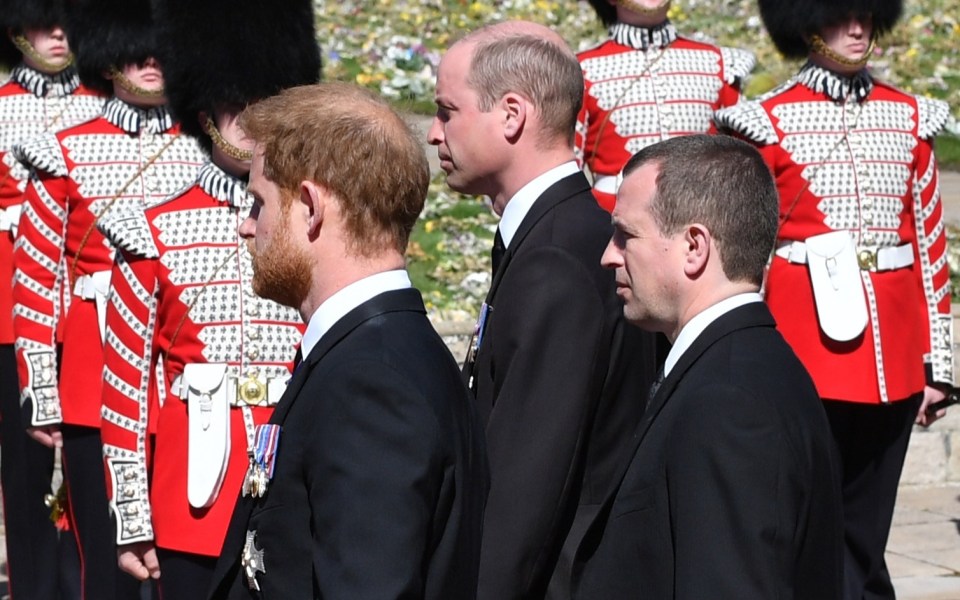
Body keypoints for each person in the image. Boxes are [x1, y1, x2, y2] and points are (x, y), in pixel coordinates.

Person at [206, 82, 488, 599]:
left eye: (259, 204)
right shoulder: (366, 353)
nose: (248, 228)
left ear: (310, 207)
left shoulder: (371, 383)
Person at [714, 1, 953, 597]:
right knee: (808, 516)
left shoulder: (908, 118)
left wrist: (938, 365)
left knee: (867, 530)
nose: (858, 29)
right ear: (806, 23)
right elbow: (750, 253)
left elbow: (929, 243)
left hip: (893, 356)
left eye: (868, 16)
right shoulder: (763, 121)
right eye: (842, 16)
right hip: (803, 348)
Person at [95, 0, 320, 598]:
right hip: (193, 491)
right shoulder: (150, 229)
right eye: (235, 104)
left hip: (292, 482)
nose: (251, 119)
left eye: (264, 102)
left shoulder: (313, 220)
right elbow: (126, 386)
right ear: (204, 113)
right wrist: (133, 517)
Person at [428, 21, 659, 599]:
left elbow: (523, 492)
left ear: (511, 114)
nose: (434, 133)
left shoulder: (554, 258)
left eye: (447, 111)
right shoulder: (558, 234)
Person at [573, 134, 843, 599]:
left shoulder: (731, 402)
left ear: (694, 247)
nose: (608, 254)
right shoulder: (733, 366)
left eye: (626, 235)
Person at [10, 0, 205, 597]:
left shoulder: (204, 148)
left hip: (177, 395)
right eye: (137, 48)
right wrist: (41, 393)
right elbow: (38, 277)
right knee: (103, 561)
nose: (150, 61)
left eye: (159, 48)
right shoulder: (63, 147)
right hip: (95, 380)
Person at [0, 0, 103, 598]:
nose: (60, 31)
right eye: (45, 19)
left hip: (86, 316)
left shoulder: (99, 109)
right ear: (16, 30)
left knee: (90, 470)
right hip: (14, 316)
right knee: (25, 470)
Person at [576, 0, 754, 211]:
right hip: (614, 220)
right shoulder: (581, 69)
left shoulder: (720, 63)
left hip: (701, 215)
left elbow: (741, 163)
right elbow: (569, 167)